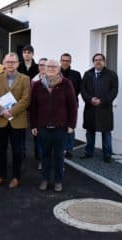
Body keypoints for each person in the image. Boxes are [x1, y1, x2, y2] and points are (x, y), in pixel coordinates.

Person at [30, 59, 77, 192]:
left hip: (61, 128)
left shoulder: (66, 84)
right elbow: (33, 107)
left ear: (59, 68)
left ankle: (58, 181)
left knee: (59, 156)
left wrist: (71, 125)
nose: (50, 68)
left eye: (54, 66)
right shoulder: (38, 85)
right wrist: (33, 125)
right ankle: (44, 179)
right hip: (43, 127)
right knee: (44, 156)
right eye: (48, 66)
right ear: (44, 68)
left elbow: (72, 106)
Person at [0, 52, 30, 189]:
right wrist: (2, 111)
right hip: (1, 121)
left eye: (13, 62)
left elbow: (25, 100)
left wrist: (11, 112)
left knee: (17, 151)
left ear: (18, 64)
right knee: (0, 151)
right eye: (8, 62)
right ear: (4, 63)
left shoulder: (25, 79)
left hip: (17, 120)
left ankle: (16, 177)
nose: (10, 64)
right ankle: (1, 176)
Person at [80, 53, 119, 163]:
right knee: (90, 131)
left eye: (100, 59)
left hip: (105, 108)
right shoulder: (88, 74)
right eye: (96, 60)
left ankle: (107, 155)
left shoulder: (111, 75)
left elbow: (114, 91)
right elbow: (83, 90)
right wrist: (90, 99)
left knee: (106, 132)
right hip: (90, 108)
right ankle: (89, 152)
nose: (98, 61)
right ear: (93, 62)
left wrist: (102, 100)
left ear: (104, 61)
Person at [18, 44, 39, 159]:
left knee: (36, 128)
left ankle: (38, 153)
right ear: (23, 54)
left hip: (35, 101)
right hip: (21, 101)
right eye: (25, 52)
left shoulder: (37, 67)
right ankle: (22, 151)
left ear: (33, 54)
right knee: (21, 129)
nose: (27, 54)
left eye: (29, 52)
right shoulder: (19, 66)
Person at [60, 53, 82, 159]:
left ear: (70, 62)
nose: (65, 62)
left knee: (70, 126)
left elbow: (78, 89)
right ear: (60, 61)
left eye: (67, 60)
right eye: (63, 60)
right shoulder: (55, 73)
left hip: (72, 104)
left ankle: (69, 150)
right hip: (57, 105)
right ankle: (59, 148)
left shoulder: (76, 74)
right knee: (58, 127)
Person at [32, 58, 48, 170]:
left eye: (44, 65)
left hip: (52, 115)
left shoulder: (55, 79)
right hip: (38, 115)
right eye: (40, 65)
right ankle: (42, 161)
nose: (42, 67)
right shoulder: (33, 80)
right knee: (39, 140)